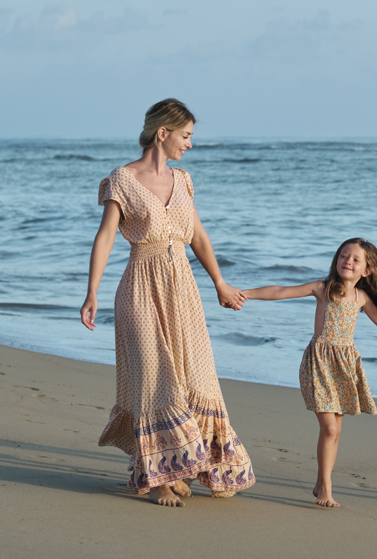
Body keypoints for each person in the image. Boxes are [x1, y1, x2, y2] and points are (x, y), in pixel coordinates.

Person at [79, 99, 254, 507]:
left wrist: (220, 283)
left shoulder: (183, 180)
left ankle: (182, 467)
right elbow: (106, 236)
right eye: (186, 135)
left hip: (183, 291)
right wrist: (92, 291)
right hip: (140, 288)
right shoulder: (122, 179)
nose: (190, 143)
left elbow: (198, 236)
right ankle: (159, 479)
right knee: (153, 380)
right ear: (163, 133)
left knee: (196, 379)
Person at [242, 238, 377, 508]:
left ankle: (321, 482)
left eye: (355, 259)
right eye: (344, 255)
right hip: (319, 363)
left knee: (336, 431)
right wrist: (244, 294)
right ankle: (326, 486)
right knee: (329, 427)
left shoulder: (361, 297)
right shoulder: (323, 288)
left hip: (344, 366)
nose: (348, 261)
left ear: (367, 271)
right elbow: (280, 291)